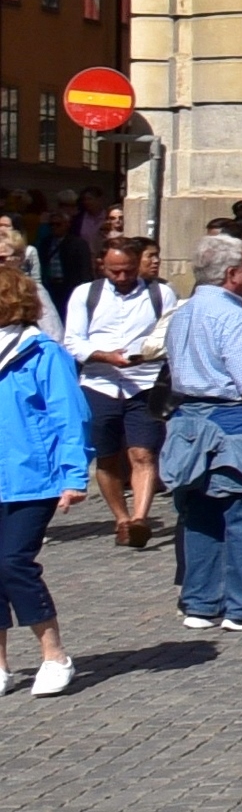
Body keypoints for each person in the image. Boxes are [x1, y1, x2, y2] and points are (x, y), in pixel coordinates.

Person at [161, 228, 242, 631]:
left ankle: (201, 602)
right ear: (231, 273)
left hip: (188, 422)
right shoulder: (234, 317)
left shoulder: (182, 313)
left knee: (199, 514)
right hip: (237, 424)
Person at [0, 257, 90, 693]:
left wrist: (74, 476)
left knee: (14, 561)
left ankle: (54, 655)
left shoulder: (42, 352)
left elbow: (68, 416)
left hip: (31, 477)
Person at [67, 230, 167, 552]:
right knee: (107, 458)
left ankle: (140, 518)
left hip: (145, 383)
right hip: (100, 383)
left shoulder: (161, 294)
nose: (122, 277)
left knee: (143, 453)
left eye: (128, 270)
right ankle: (121, 519)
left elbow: (170, 335)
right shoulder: (86, 295)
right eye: (114, 271)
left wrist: (147, 355)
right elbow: (73, 342)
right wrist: (104, 357)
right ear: (102, 266)